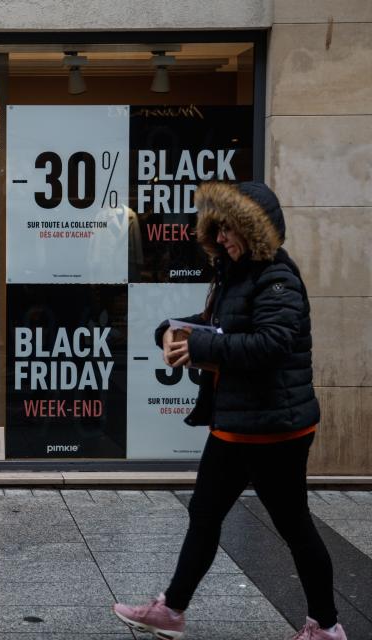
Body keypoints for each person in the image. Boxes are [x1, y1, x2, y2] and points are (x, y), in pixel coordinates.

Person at [112, 181, 346, 640]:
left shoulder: (277, 278)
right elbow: (218, 327)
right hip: (239, 427)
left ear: (255, 231)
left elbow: (269, 345)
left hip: (275, 429)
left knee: (294, 525)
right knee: (205, 513)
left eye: (229, 230)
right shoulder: (236, 273)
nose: (220, 239)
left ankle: (327, 626)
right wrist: (169, 329)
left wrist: (199, 344)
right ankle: (171, 610)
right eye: (216, 230)